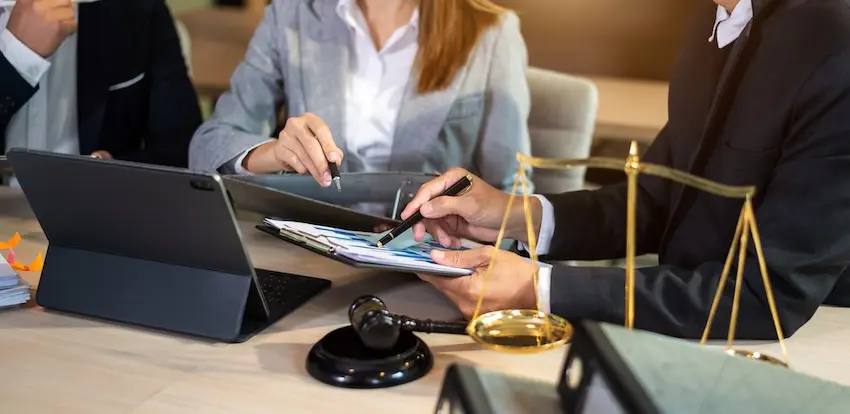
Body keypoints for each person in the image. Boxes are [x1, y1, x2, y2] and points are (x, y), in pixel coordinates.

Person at [402, 0, 850, 340]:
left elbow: (766, 296)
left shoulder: (834, 44)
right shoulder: (715, 20)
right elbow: (657, 199)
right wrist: (515, 214)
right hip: (691, 332)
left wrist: (540, 287)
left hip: (806, 345)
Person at [188, 0, 531, 195]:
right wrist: (275, 153)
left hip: (430, 258)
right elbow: (208, 146)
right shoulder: (291, 14)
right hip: (311, 248)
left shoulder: (493, 33)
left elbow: (512, 193)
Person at [0, 0, 201, 174]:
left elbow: (182, 152)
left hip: (94, 204)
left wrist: (117, 175)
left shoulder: (140, 10)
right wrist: (18, 58)